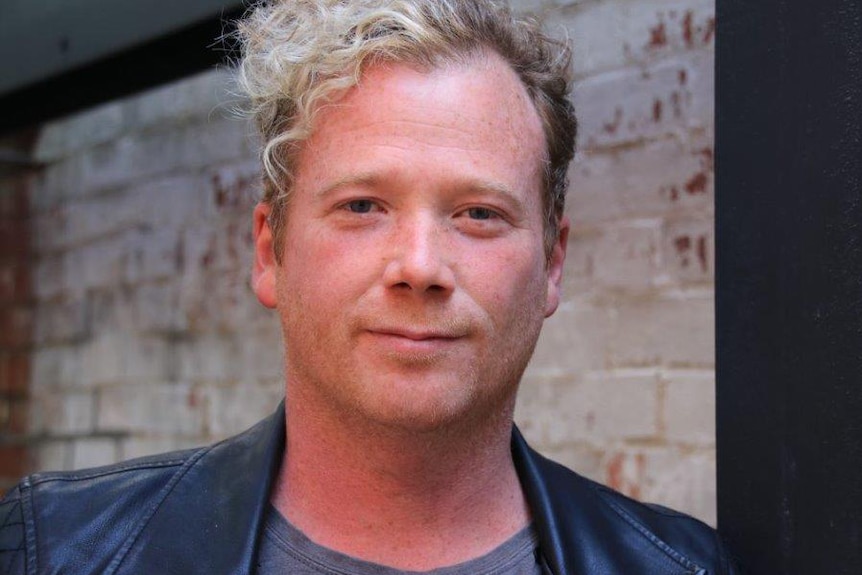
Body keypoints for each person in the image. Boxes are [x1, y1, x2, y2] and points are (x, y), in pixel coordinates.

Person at [0, 1, 737, 573]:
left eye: (478, 213)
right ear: (270, 251)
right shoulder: (56, 551)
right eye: (362, 206)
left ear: (552, 264)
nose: (419, 265)